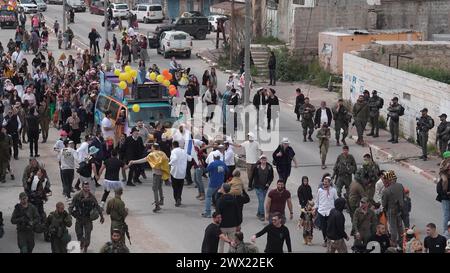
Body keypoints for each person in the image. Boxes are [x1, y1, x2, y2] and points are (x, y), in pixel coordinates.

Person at [128, 143, 170, 213]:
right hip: (162, 173)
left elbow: (143, 160)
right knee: (159, 187)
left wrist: (133, 162)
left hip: (156, 174)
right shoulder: (162, 153)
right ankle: (161, 200)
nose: (151, 148)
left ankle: (157, 205)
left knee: (154, 189)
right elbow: (167, 161)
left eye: (152, 147)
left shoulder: (152, 154)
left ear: (153, 148)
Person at [69, 181, 105, 253]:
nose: (87, 188)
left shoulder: (92, 197)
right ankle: (82, 242)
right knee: (79, 234)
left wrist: (101, 216)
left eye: (88, 187)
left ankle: (85, 247)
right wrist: (70, 214)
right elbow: (71, 206)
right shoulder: (77, 196)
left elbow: (97, 206)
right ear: (82, 187)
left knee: (88, 234)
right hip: (79, 218)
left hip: (88, 219)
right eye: (85, 187)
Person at [381, 170, 405, 247]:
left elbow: (384, 204)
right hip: (400, 209)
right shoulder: (400, 186)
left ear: (388, 179)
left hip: (391, 210)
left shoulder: (386, 190)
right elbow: (403, 196)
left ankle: (393, 243)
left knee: (393, 227)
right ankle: (401, 242)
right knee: (400, 226)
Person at [216, 183, 240, 253]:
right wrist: (238, 224)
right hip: (232, 225)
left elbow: (218, 212)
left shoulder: (220, 200)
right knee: (232, 243)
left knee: (221, 244)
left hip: (222, 225)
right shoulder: (234, 199)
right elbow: (237, 212)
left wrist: (218, 193)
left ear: (223, 189)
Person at [249, 154, 274, 221]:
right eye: (262, 159)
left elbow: (271, 177)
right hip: (257, 186)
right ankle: (262, 215)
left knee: (261, 201)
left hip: (265, 187)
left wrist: (268, 183)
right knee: (262, 200)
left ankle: (258, 213)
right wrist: (250, 185)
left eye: (264, 159)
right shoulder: (256, 167)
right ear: (260, 160)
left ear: (266, 160)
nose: (263, 161)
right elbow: (252, 176)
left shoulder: (269, 167)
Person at [203, 152, 228, 217]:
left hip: (213, 183)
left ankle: (208, 212)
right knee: (218, 198)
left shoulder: (212, 164)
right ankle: (218, 212)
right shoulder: (223, 163)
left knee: (208, 197)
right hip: (220, 184)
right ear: (219, 157)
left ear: (214, 157)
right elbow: (227, 171)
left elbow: (205, 170)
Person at [316, 176, 338, 247]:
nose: (324, 183)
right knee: (323, 228)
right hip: (321, 212)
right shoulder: (320, 190)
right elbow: (317, 201)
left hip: (330, 212)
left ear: (329, 183)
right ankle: (325, 241)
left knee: (330, 227)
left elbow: (336, 200)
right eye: (324, 182)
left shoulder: (333, 190)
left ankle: (331, 240)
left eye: (326, 182)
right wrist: (315, 209)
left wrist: (337, 210)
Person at [170, 141, 189, 207]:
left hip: (175, 172)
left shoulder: (173, 151)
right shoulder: (184, 151)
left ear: (173, 145)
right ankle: (179, 198)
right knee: (180, 187)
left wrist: (169, 163)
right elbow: (189, 159)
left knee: (175, 187)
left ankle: (177, 199)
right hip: (182, 172)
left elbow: (175, 158)